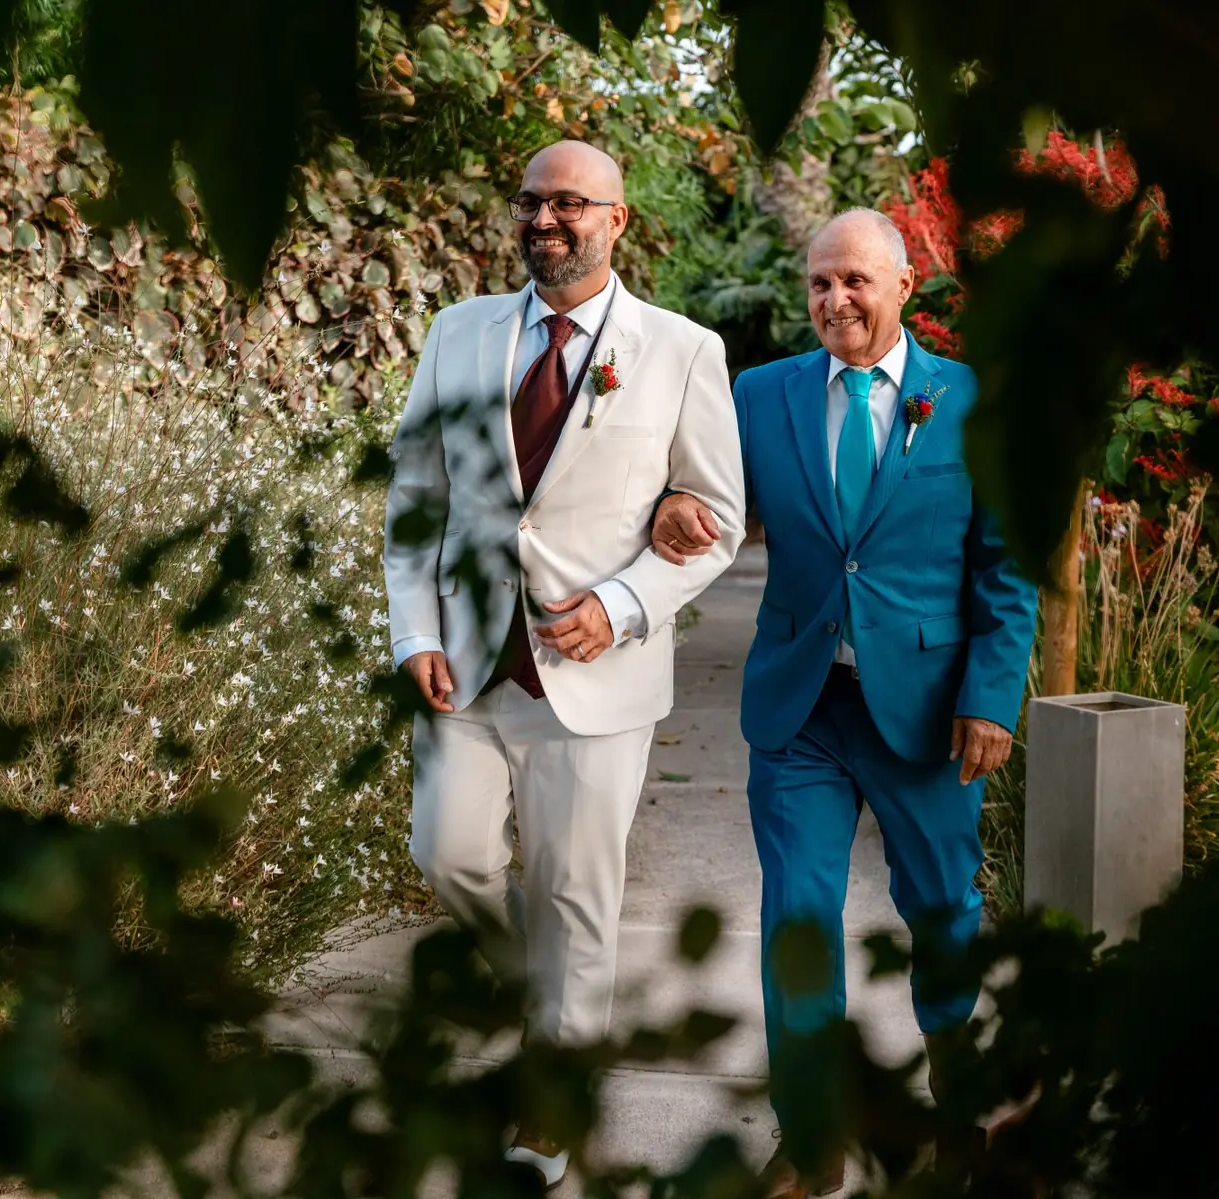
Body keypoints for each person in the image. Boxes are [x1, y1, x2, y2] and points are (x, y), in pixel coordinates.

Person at [650, 209, 1039, 1197]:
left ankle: (961, 1120)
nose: (836, 301)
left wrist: (992, 694)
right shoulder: (760, 393)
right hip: (802, 709)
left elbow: (1006, 566)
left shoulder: (970, 399)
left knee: (944, 915)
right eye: (820, 283)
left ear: (906, 285)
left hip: (929, 711)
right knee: (799, 920)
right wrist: (669, 504)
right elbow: (702, 488)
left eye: (857, 281)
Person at [384, 140, 745, 1187]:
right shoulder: (459, 333)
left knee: (580, 894)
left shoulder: (680, 349)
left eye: (570, 205)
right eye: (530, 202)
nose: (544, 221)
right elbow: (416, 496)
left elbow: (716, 522)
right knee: (446, 852)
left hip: (596, 675)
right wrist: (412, 631)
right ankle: (530, 997)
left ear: (617, 220)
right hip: (463, 660)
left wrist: (625, 605)